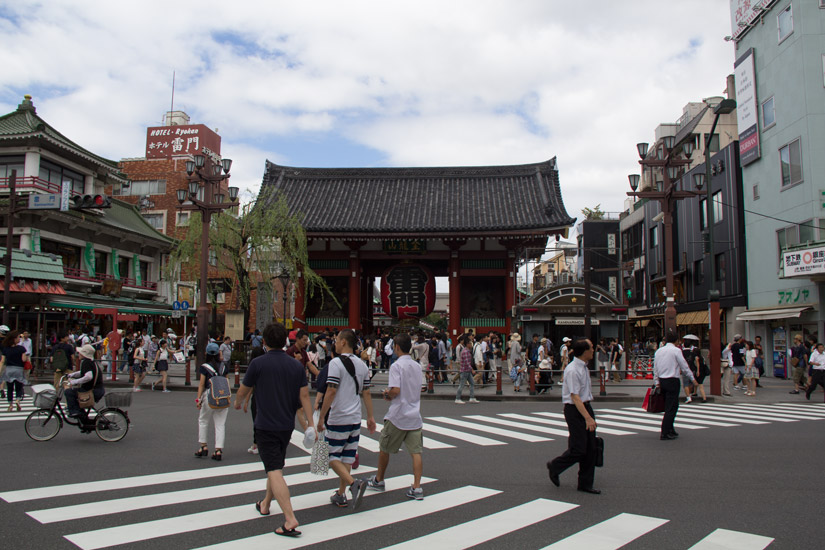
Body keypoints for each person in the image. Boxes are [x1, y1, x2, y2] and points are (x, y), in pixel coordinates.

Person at [234, 323, 314, 538]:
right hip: (286, 425)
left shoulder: (258, 363)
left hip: (265, 424)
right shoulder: (296, 366)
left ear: (266, 342)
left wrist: (238, 401)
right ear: (286, 342)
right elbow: (305, 396)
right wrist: (311, 424)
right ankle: (265, 504)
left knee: (274, 470)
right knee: (276, 466)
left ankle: (290, 518)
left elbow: (244, 389)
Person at [316, 329, 376, 510]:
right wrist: (371, 416)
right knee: (347, 458)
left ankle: (353, 484)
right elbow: (366, 392)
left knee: (330, 455)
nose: (334, 342)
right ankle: (341, 494)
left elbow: (331, 390)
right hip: (355, 417)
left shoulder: (335, 363)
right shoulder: (362, 365)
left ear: (343, 342)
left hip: (339, 416)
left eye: (336, 340)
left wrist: (321, 417)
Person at [366, 333, 425, 500]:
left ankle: (379, 480)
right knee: (416, 452)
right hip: (414, 415)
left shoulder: (396, 366)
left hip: (398, 415)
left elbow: (396, 390)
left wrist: (387, 394)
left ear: (397, 347)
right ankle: (417, 487)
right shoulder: (416, 366)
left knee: (384, 448)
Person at [546, 338, 600, 495]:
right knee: (579, 448)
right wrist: (588, 418)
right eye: (591, 347)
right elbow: (575, 397)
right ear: (584, 351)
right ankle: (555, 466)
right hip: (574, 410)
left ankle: (585, 483)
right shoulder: (572, 370)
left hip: (585, 407)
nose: (593, 350)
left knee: (590, 447)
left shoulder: (583, 367)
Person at [654, 332, 696, 440]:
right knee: (671, 407)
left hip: (662, 380)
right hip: (672, 380)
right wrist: (692, 378)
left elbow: (656, 368)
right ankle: (665, 431)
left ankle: (670, 429)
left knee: (671, 405)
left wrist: (656, 382)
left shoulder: (659, 351)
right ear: (676, 341)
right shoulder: (676, 351)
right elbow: (684, 366)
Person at [195, 343, 230, 461]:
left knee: (203, 420)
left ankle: (203, 446)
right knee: (220, 424)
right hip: (223, 396)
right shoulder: (224, 366)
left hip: (209, 395)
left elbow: (201, 384)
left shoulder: (205, 367)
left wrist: (198, 399)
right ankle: (218, 450)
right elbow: (226, 381)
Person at [63, 344, 105, 418]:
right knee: (75, 395)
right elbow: (83, 372)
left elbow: (88, 377)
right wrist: (71, 375)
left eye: (80, 352)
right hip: (98, 390)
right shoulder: (91, 362)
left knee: (69, 392)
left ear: (84, 354)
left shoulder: (86, 362)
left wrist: (74, 382)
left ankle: (75, 412)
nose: (78, 354)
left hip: (91, 391)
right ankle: (82, 416)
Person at [1, 330, 30, 412]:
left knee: (9, 388)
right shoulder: (21, 348)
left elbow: (2, 361)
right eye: (18, 338)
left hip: (9, 369)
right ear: (14, 339)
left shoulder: (6, 349)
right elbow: (24, 359)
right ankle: (18, 400)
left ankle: (10, 405)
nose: (19, 339)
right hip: (19, 370)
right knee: (18, 387)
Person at [455, 335, 478, 404]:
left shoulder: (466, 351)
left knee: (472, 383)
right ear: (467, 344)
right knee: (462, 384)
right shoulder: (465, 351)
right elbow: (467, 363)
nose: (471, 345)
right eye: (470, 343)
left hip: (467, 370)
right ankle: (457, 398)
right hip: (465, 370)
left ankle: (472, 397)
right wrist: (472, 369)